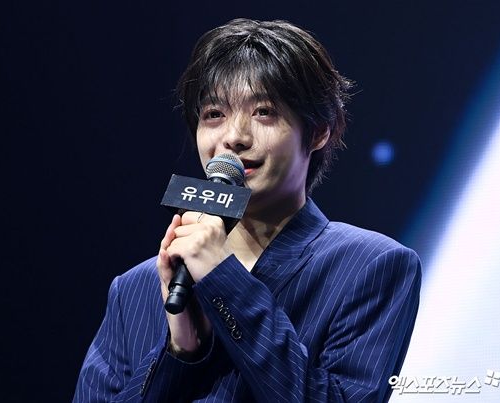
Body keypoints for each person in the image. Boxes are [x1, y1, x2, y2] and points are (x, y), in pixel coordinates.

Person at [73, 18, 421, 402]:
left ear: (319, 131)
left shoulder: (371, 267)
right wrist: (182, 353)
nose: (234, 137)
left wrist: (224, 279)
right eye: (214, 114)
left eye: (264, 112)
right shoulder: (134, 290)